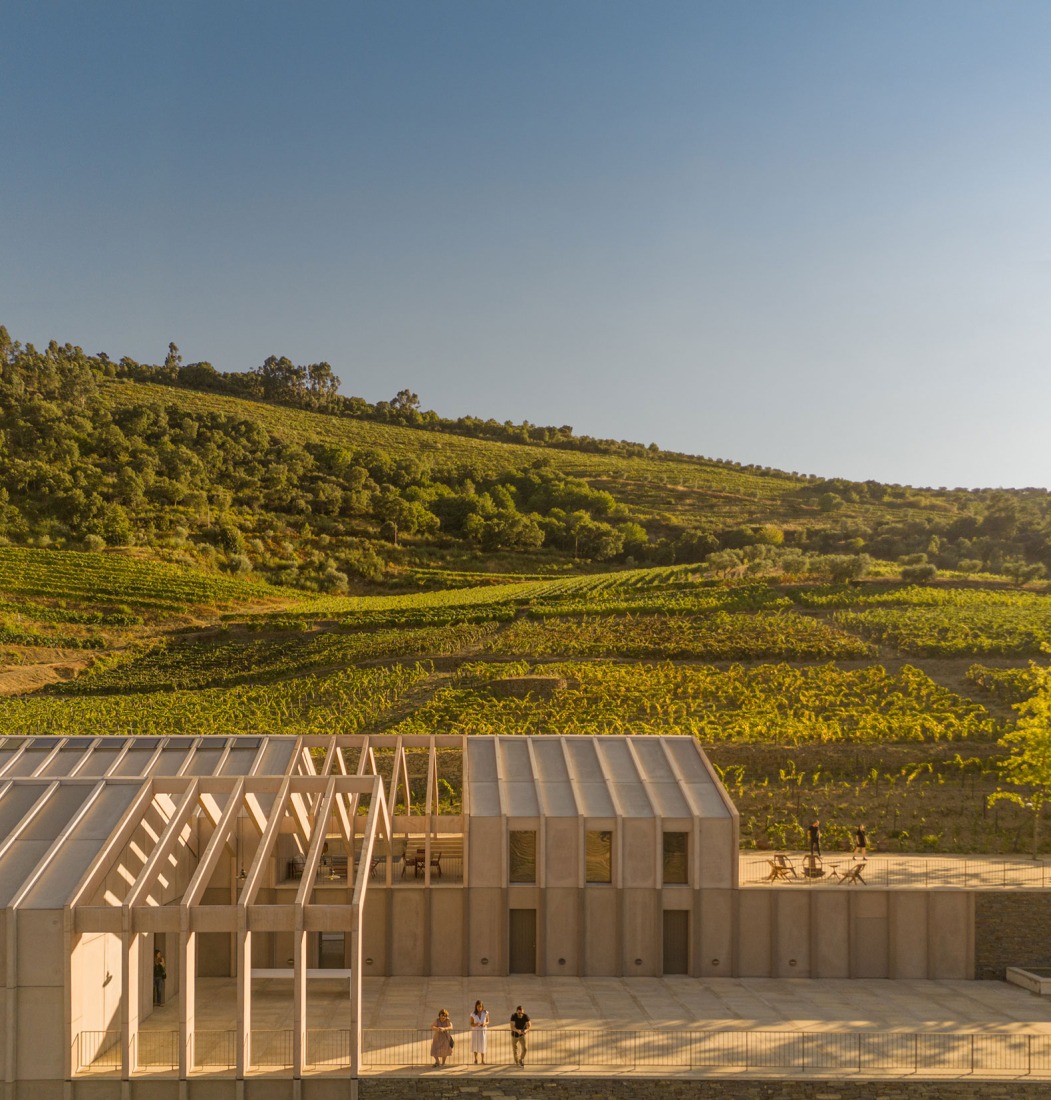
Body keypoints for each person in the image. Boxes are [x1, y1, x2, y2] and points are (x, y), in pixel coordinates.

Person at [469, 999, 489, 1065]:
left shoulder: (485, 1013)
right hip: (475, 1031)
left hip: (483, 1031)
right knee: (475, 1044)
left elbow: (488, 1021)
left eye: (480, 1006)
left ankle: (483, 1060)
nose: (479, 1008)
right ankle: (475, 1059)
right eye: (478, 1007)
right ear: (476, 1007)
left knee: (482, 1044)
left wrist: (484, 1024)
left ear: (482, 1006)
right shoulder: (473, 1014)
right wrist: (476, 1024)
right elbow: (471, 1023)